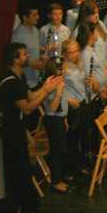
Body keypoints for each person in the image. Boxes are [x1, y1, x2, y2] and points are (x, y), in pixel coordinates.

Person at [0, 43, 62, 213]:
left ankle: (28, 210)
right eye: (24, 54)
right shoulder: (11, 83)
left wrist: (44, 86)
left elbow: (29, 96)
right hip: (12, 134)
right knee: (21, 174)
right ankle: (28, 212)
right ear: (16, 60)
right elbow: (27, 108)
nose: (28, 55)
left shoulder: (19, 78)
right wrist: (46, 92)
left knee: (25, 171)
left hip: (18, 131)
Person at [41, 58, 72, 194]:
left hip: (59, 119)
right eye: (63, 68)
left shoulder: (60, 81)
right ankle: (55, 181)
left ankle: (58, 178)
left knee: (61, 151)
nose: (65, 70)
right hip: (53, 120)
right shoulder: (53, 83)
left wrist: (64, 119)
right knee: (56, 152)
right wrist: (59, 91)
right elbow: (53, 107)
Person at [61, 39, 90, 177]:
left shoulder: (78, 64)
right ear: (65, 53)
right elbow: (58, 89)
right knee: (71, 140)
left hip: (82, 102)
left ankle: (79, 166)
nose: (74, 54)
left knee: (80, 137)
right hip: (72, 105)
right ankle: (69, 170)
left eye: (76, 51)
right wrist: (69, 99)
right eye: (70, 52)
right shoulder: (63, 67)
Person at [11, 6, 44, 88]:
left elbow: (34, 49)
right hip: (25, 81)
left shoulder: (35, 30)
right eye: (34, 15)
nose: (38, 17)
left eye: (37, 14)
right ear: (25, 18)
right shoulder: (18, 35)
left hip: (36, 78)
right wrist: (30, 63)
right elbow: (14, 59)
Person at [72, 0, 107, 64]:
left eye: (97, 12)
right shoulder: (78, 31)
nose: (97, 16)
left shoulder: (100, 24)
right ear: (85, 15)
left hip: (104, 65)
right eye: (93, 13)